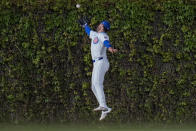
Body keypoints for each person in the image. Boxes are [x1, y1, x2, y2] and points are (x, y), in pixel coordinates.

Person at [78, 17, 118, 120]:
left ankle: (103, 105)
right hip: (96, 63)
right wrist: (85, 26)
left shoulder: (103, 35)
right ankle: (105, 108)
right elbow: (89, 32)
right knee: (93, 86)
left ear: (103, 26)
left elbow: (106, 43)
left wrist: (110, 49)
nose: (98, 25)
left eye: (100, 24)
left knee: (97, 83)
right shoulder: (95, 35)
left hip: (101, 62)